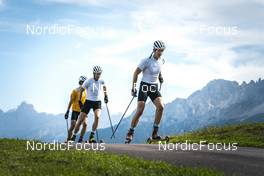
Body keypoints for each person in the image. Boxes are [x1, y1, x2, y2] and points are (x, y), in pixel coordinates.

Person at [125, 40, 166, 143]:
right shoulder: (146, 61)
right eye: (158, 50)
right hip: (144, 86)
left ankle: (155, 133)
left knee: (160, 107)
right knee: (140, 110)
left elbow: (159, 69)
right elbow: (136, 73)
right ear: (154, 50)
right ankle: (130, 132)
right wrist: (133, 87)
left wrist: (160, 77)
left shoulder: (162, 60)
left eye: (162, 50)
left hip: (153, 86)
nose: (160, 52)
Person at [70, 66, 108, 143]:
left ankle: (92, 136)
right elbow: (81, 90)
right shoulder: (88, 81)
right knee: (80, 121)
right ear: (94, 73)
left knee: (97, 117)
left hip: (97, 102)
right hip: (88, 102)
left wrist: (106, 96)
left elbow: (104, 87)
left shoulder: (101, 81)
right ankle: (74, 136)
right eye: (97, 74)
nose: (98, 75)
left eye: (100, 74)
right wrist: (80, 100)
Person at [65, 76, 87, 142]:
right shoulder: (75, 91)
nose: (82, 84)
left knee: (85, 125)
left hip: (83, 111)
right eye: (81, 82)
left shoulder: (86, 92)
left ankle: (80, 139)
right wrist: (67, 111)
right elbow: (71, 101)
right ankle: (68, 140)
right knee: (73, 125)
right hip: (75, 111)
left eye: (84, 82)